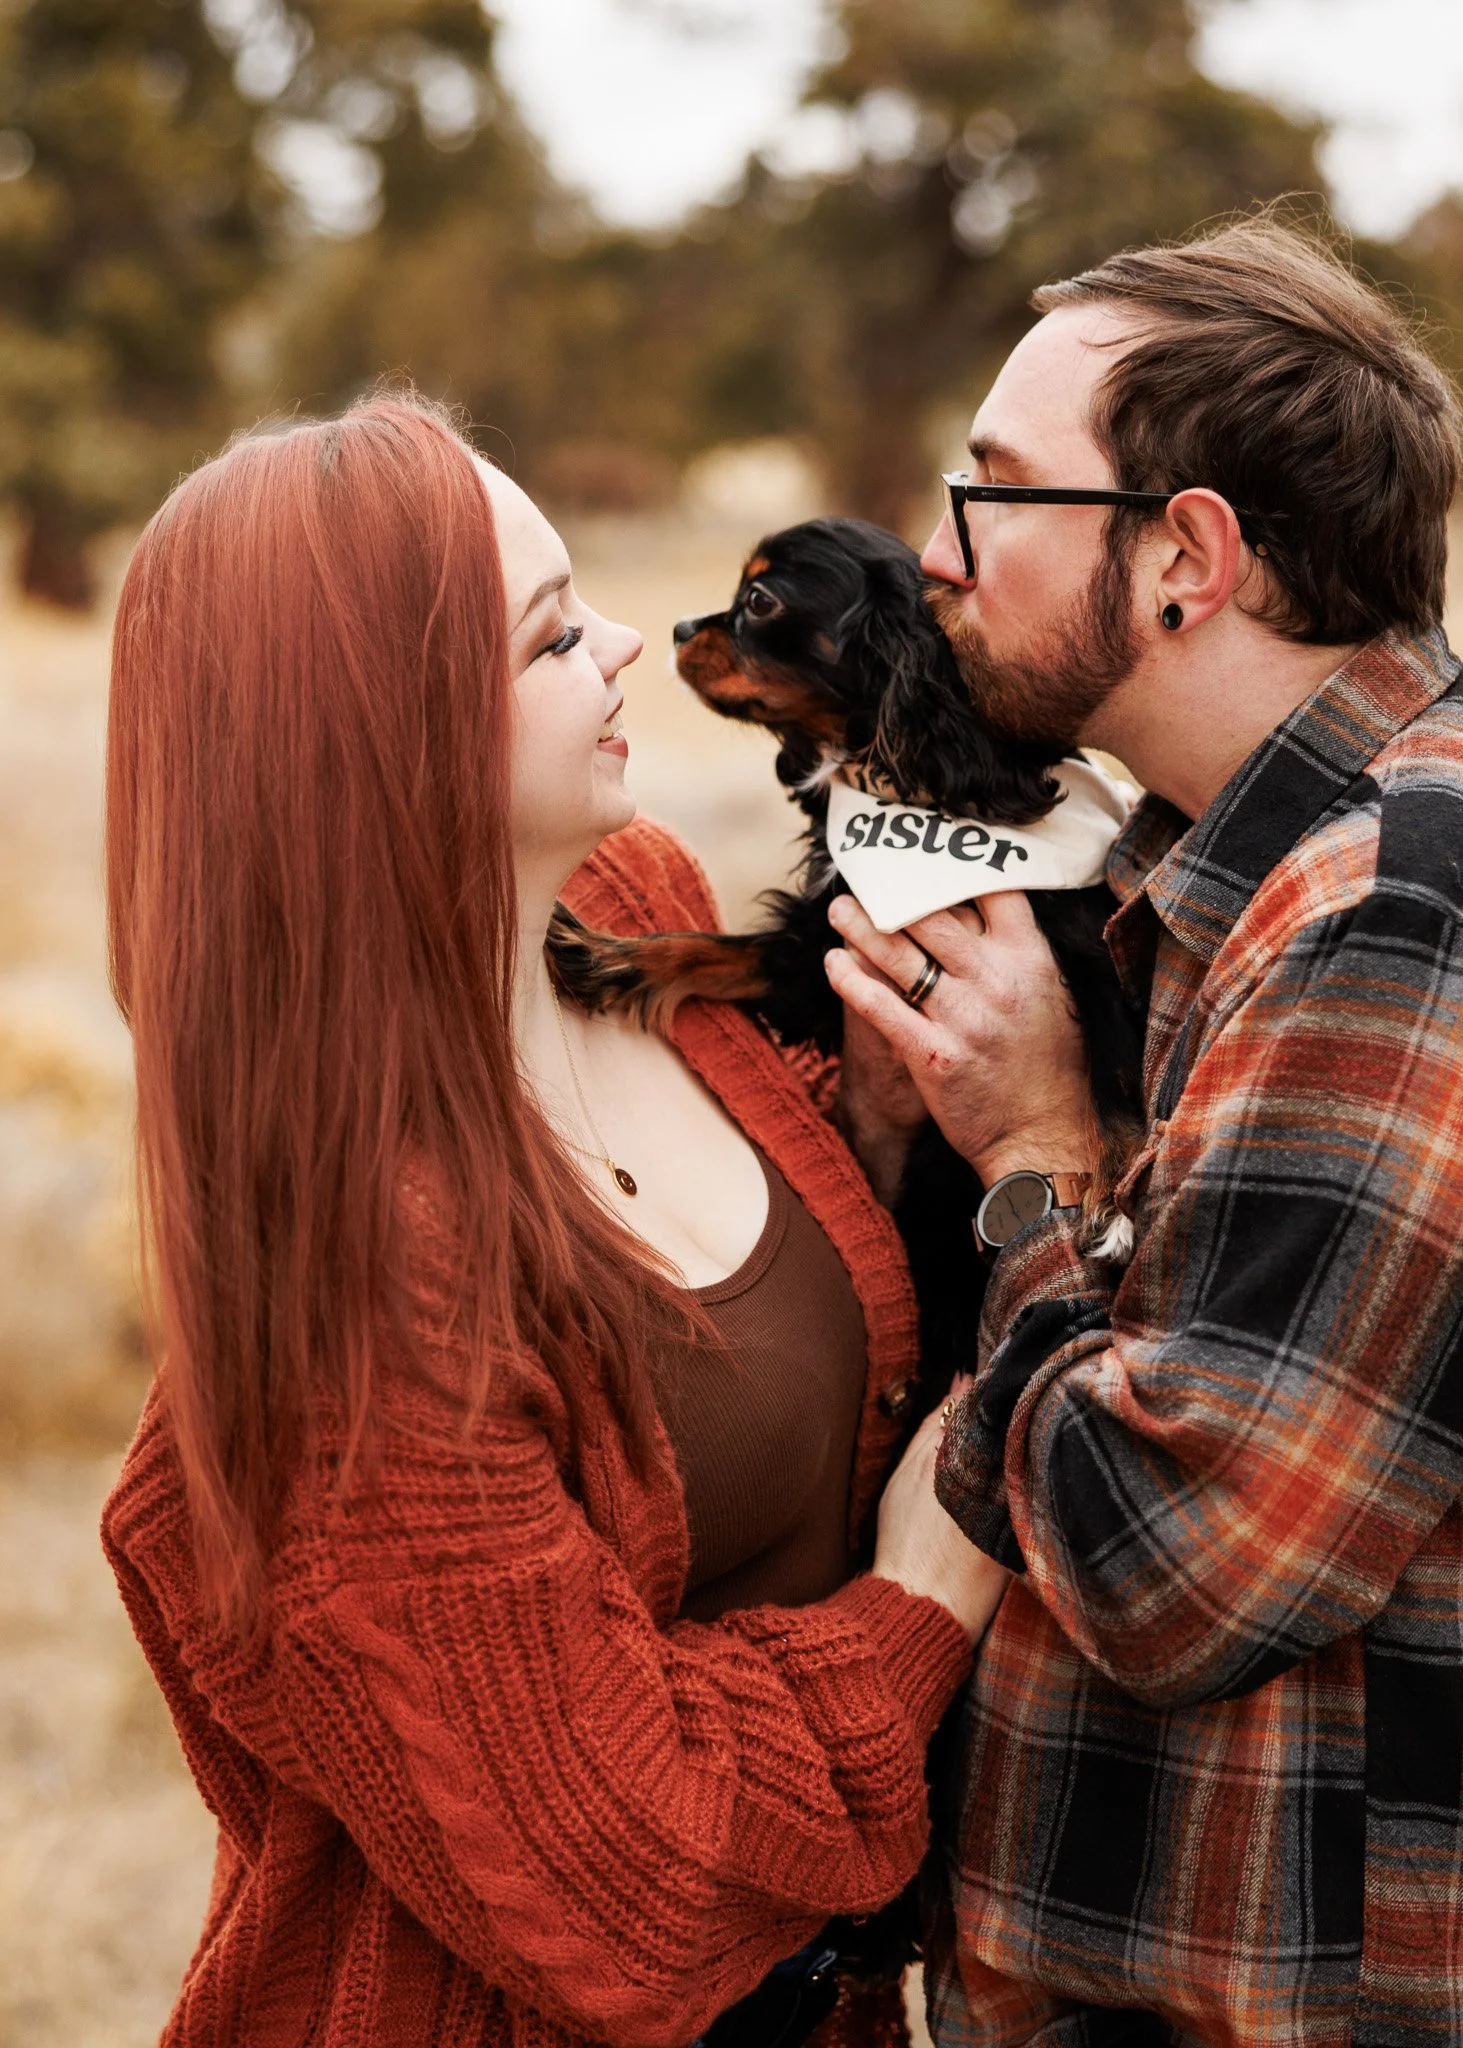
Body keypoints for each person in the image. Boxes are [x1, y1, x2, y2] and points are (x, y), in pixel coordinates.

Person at [100, 394, 1007, 2048]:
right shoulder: (368, 1264)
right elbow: (626, 1877)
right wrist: (921, 1601)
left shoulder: (636, 910)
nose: (618, 647)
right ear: (387, 726)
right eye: (545, 637)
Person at [828, 217, 1463, 2045]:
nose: (937, 552)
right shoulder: (1243, 866)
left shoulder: (1390, 917)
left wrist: (1032, 1153)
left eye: (998, 493)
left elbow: (1169, 1565)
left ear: (1184, 556)